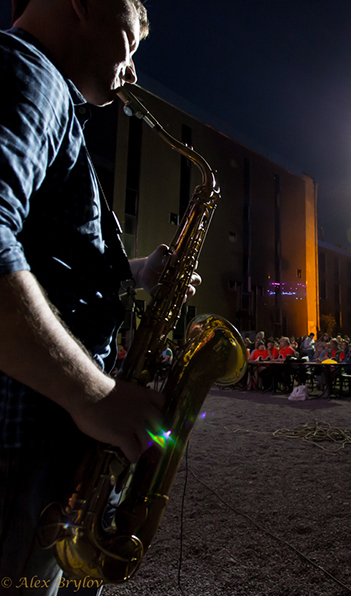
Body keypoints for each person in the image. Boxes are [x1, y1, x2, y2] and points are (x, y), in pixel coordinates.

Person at [0, 0, 199, 592]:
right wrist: (97, 395)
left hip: (36, 449)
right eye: (130, 43)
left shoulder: (47, 93)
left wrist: (136, 273)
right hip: (21, 451)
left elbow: (44, 259)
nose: (133, 70)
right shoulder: (30, 72)